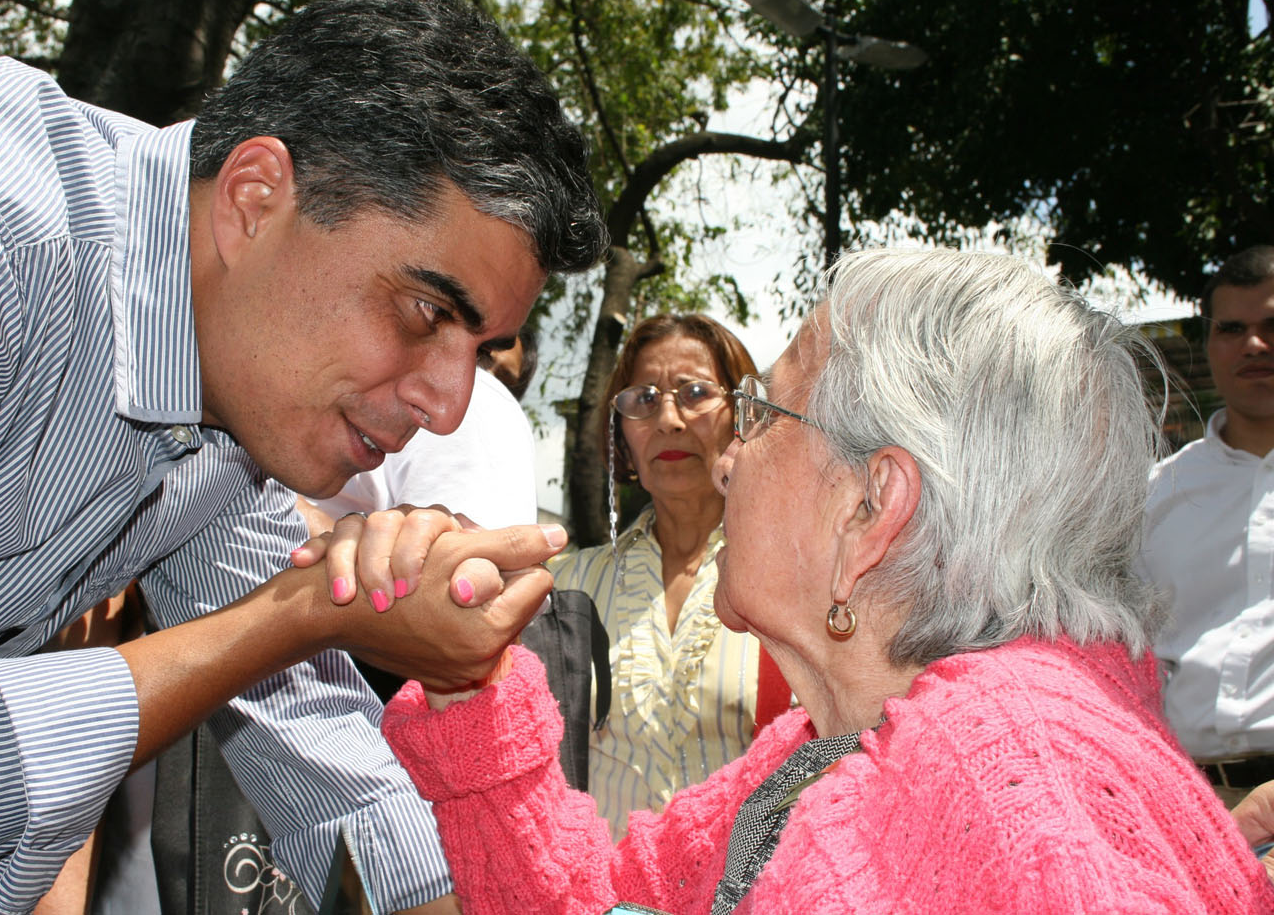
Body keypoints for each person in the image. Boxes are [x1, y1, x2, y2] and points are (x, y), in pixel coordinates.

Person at [0, 0, 606, 912]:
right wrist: (294, 617)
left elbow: (323, 748)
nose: (449, 406)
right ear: (256, 198)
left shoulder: (220, 417)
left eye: (481, 346)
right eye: (426, 312)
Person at [380, 248, 1274, 913]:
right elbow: (597, 899)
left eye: (762, 413)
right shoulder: (827, 747)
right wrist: (470, 685)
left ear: (869, 509)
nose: (729, 459)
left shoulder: (1005, 780)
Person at [548, 314, 781, 838]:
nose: (669, 420)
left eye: (696, 392)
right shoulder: (567, 589)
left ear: (743, 416)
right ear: (622, 437)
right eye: (644, 400)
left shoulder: (795, 583)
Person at [1140, 245, 1274, 808]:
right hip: (1188, 804)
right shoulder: (1157, 494)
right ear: (1209, 343)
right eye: (1233, 328)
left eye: (1272, 325)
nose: (1254, 344)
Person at [304, 333, 540, 533]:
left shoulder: (484, 400)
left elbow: (443, 574)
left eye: (505, 377)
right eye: (482, 358)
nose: (480, 377)